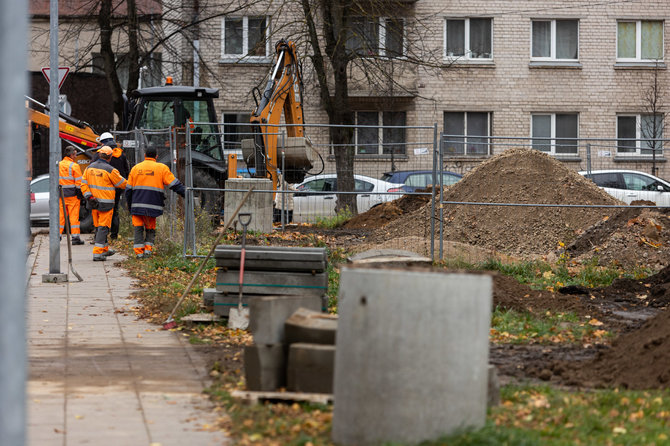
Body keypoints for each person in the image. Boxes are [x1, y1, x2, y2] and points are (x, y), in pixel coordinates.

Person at [125, 146, 185, 258]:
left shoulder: (136, 168)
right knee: (150, 228)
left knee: (138, 227)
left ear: (145, 156)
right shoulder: (161, 168)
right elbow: (174, 184)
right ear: (156, 157)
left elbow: (128, 190)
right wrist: (185, 193)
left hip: (136, 205)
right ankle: (148, 251)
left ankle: (139, 253)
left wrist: (130, 206)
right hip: (153, 205)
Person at [81, 146, 127, 261]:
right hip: (105, 204)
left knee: (98, 227)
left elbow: (83, 184)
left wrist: (88, 196)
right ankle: (97, 253)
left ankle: (104, 249)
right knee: (103, 227)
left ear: (99, 155)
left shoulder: (88, 168)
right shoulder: (110, 170)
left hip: (93, 203)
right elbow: (122, 184)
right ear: (110, 157)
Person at [96, 132, 130, 239]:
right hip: (118, 187)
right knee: (115, 210)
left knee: (104, 211)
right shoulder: (121, 155)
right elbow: (126, 170)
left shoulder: (103, 155)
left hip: (105, 187)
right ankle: (114, 235)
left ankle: (102, 234)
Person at [58, 146, 84, 245]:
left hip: (61, 195)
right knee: (74, 217)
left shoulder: (58, 165)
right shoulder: (74, 166)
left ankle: (58, 236)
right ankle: (75, 238)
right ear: (72, 155)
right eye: (75, 154)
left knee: (61, 216)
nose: (76, 156)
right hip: (72, 196)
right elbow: (78, 183)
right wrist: (80, 195)